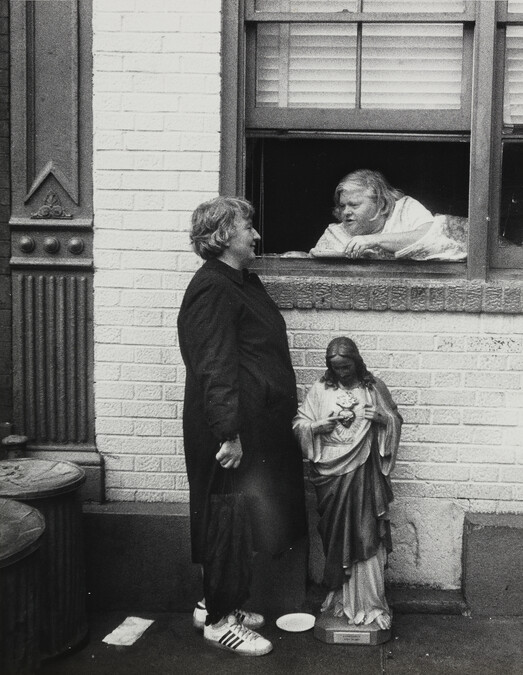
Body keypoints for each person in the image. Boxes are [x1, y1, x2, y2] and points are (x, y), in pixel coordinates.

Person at [177, 196, 307, 656]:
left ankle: (213, 602)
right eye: (246, 227)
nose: (255, 235)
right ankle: (219, 620)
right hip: (230, 432)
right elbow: (213, 365)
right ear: (222, 235)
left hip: (253, 426)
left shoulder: (240, 281)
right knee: (227, 518)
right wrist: (227, 432)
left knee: (238, 517)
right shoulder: (212, 286)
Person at [293, 337, 402, 630]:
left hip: (364, 475)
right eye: (335, 367)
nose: (342, 372)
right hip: (331, 477)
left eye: (346, 366)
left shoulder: (373, 387)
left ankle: (371, 604)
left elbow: (394, 419)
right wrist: (316, 427)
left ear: (356, 361)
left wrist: (382, 419)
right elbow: (299, 424)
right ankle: (342, 600)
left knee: (367, 535)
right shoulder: (320, 389)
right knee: (337, 538)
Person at [309, 169, 466, 261]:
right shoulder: (335, 234)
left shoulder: (405, 209)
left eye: (354, 205)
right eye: (342, 206)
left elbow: (429, 235)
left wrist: (373, 240)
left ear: (381, 205)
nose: (346, 212)